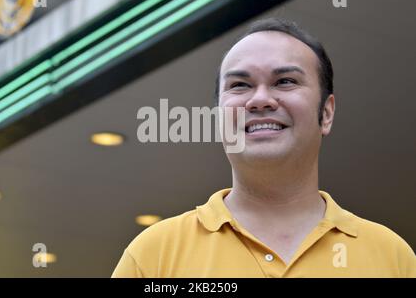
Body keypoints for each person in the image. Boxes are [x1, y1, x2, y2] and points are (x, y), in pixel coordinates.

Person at [112, 18, 416, 277]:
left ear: (326, 113)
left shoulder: (393, 258)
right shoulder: (153, 257)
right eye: (240, 85)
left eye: (284, 81)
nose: (260, 100)